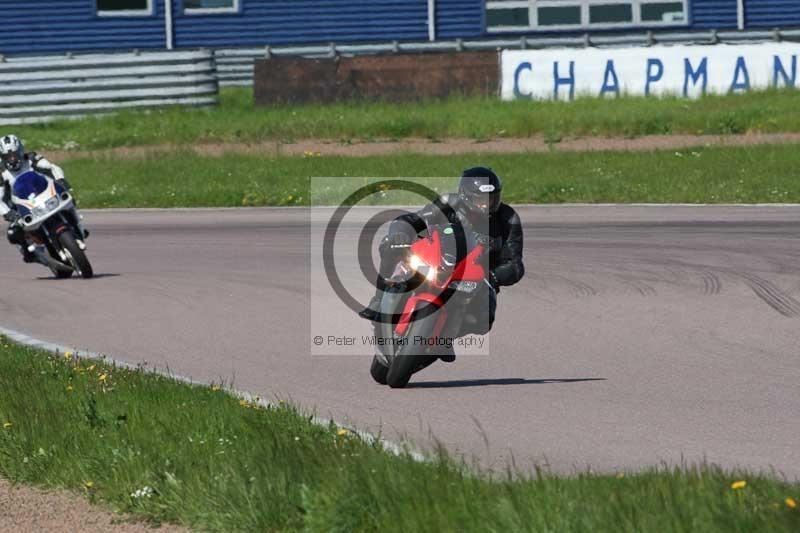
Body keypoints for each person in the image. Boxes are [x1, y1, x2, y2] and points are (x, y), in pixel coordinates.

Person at [358, 167, 525, 342]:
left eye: (491, 199)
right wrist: (400, 234)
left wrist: (493, 277)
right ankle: (378, 300)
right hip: (438, 260)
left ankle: (445, 338)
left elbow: (515, 264)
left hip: (477, 275)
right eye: (480, 199)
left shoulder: (508, 218)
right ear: (465, 196)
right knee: (390, 246)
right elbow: (413, 220)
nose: (486, 205)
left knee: (483, 321)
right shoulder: (448, 203)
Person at [0, 134, 82, 263]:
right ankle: (29, 252)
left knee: (68, 198)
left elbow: (52, 167)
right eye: (7, 156)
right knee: (13, 233)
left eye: (15, 154)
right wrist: (8, 213)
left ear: (21, 151)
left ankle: (78, 226)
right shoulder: (2, 173)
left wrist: (61, 180)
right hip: (19, 206)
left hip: (43, 194)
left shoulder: (31, 158)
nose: (12, 159)